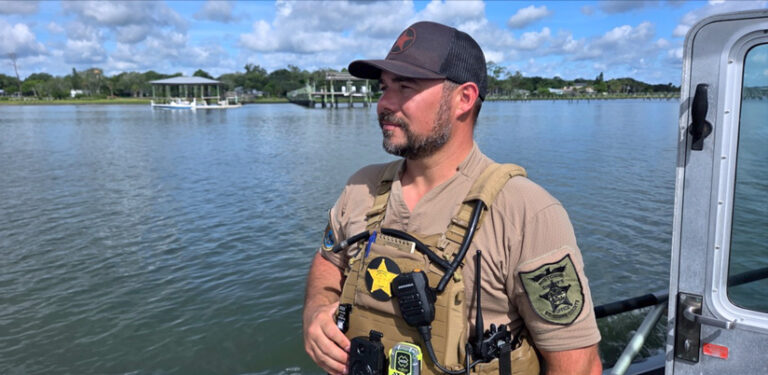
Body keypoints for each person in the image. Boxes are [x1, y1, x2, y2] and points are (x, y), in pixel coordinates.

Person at [303, 21, 602, 375]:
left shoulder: (527, 212)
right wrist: (316, 311)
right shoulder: (360, 188)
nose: (384, 103)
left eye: (404, 87)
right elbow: (329, 261)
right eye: (383, 88)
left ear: (464, 99)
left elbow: (578, 366)